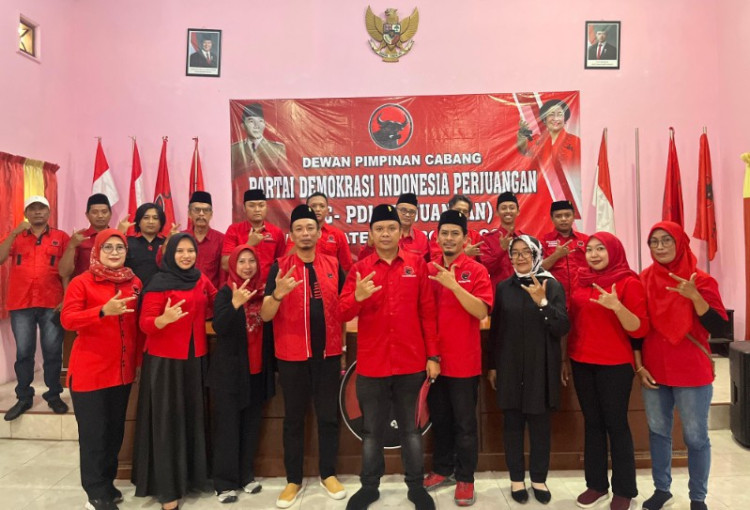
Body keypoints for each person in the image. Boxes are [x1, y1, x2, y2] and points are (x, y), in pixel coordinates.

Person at [340, 204, 440, 510]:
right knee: (372, 432)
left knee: (411, 430)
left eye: (391, 228)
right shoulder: (360, 269)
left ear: (400, 232)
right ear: (370, 234)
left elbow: (427, 313)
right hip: (373, 365)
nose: (386, 233)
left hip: (411, 363)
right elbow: (341, 312)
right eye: (380, 228)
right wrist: (357, 298)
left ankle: (416, 487)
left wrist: (433, 356)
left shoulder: (417, 265)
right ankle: (369, 487)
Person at [637, 222, 730, 510]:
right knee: (658, 432)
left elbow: (720, 328)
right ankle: (662, 489)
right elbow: (638, 327)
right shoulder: (644, 279)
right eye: (654, 241)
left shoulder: (700, 280)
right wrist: (639, 365)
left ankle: (698, 497)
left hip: (691, 369)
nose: (660, 246)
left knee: (695, 437)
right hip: (655, 368)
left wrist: (695, 297)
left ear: (680, 243)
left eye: (667, 240)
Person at [260, 204, 347, 508]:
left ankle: (328, 474)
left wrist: (342, 347)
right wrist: (278, 294)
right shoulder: (280, 267)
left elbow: (344, 308)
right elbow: (265, 314)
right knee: (294, 419)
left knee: (328, 417)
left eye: (311, 228)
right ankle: (293, 480)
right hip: (292, 356)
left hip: (328, 355)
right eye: (299, 229)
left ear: (319, 232)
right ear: (292, 235)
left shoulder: (333, 265)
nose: (306, 233)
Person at [132, 233, 217, 510]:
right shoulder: (158, 283)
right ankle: (167, 490)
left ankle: (191, 479)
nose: (186, 256)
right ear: (170, 254)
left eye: (190, 250)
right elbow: (145, 324)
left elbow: (216, 300)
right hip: (164, 362)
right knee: (167, 424)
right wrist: (163, 319)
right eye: (180, 251)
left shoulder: (200, 278)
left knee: (191, 420)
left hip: (195, 358)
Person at [61, 229, 142, 510]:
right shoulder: (82, 282)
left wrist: (137, 363)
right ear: (97, 250)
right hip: (90, 374)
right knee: (94, 437)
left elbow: (136, 328)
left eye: (120, 247)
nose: (114, 252)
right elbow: (68, 319)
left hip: (121, 373)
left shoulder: (134, 282)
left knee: (114, 434)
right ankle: (95, 493)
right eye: (108, 247)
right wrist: (102, 311)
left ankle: (107, 485)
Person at [568, 232, 649, 510]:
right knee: (593, 424)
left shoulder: (628, 282)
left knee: (616, 424)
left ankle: (624, 489)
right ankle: (596, 485)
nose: (594, 254)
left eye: (600, 249)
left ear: (613, 251)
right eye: (589, 249)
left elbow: (639, 328)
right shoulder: (581, 280)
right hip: (581, 361)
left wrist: (617, 307)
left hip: (614, 364)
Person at [487, 235, 569, 505]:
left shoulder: (551, 284)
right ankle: (516, 479)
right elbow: (496, 330)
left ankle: (538, 479)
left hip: (540, 367)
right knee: (512, 425)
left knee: (539, 427)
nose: (520, 257)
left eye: (526, 252)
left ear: (537, 255)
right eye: (515, 252)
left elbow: (561, 327)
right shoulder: (504, 288)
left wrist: (543, 303)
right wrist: (493, 365)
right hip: (509, 366)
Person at [423, 210, 493, 507]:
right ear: (437, 237)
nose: (449, 238)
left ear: (465, 239)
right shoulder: (428, 269)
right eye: (444, 233)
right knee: (440, 420)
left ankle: (465, 477)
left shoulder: (476, 271)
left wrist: (454, 285)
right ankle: (443, 469)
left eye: (455, 234)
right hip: (433, 361)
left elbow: (481, 311)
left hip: (464, 361)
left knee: (465, 424)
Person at [208, 245, 275, 504]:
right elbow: (219, 326)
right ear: (233, 265)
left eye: (252, 261)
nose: (247, 266)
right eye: (242, 261)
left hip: (256, 371)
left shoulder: (263, 293)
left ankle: (246, 475)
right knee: (228, 428)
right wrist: (235, 304)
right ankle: (224, 483)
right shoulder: (226, 292)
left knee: (250, 426)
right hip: (230, 374)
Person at [0, 195, 70, 421]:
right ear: (26, 213)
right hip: (21, 303)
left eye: (42, 208)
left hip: (52, 303)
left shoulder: (61, 237)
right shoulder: (17, 236)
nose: (38, 212)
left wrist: (67, 297)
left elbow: (66, 270)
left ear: (49, 213)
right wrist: (13, 233)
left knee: (52, 352)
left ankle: (53, 395)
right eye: (33, 208)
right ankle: (23, 397)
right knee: (24, 352)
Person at [230, 104, 287, 222]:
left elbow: (284, 177)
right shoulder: (234, 149)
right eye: (251, 121)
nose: (257, 126)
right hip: (241, 205)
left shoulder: (277, 149)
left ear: (265, 125)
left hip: (271, 204)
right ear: (242, 126)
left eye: (260, 121)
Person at [222, 188, 286, 282]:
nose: (257, 210)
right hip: (240, 287)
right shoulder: (234, 230)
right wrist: (249, 245)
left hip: (267, 287)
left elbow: (282, 265)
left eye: (261, 205)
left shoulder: (276, 232)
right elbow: (225, 265)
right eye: (252, 206)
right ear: (244, 208)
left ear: (266, 207)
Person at [285, 192, 354, 272]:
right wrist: (302, 240)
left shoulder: (337, 234)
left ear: (327, 210)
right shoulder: (297, 234)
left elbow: (346, 267)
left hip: (329, 278)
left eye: (322, 206)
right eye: (313, 206)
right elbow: (287, 261)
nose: (317, 209)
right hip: (301, 276)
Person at [541, 200, 589, 304]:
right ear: (552, 218)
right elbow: (538, 269)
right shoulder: (543, 241)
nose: (563, 219)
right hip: (554, 297)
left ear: (573, 216)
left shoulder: (586, 240)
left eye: (567, 215)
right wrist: (556, 255)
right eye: (558, 216)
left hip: (581, 296)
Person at [359, 193, 430, 261]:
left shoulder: (421, 238)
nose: (407, 215)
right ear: (396, 211)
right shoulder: (383, 234)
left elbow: (425, 264)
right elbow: (362, 262)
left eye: (412, 212)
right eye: (403, 210)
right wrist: (369, 246)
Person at [59, 193, 113, 279]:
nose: (100, 216)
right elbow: (64, 272)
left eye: (104, 212)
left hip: (112, 285)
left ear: (110, 214)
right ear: (87, 215)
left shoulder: (117, 237)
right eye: (94, 212)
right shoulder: (78, 238)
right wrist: (71, 246)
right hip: (84, 286)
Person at [480, 191, 526, 287]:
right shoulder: (487, 239)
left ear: (518, 212)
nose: (508, 211)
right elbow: (485, 269)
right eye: (504, 208)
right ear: (497, 212)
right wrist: (501, 250)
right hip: (498, 292)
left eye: (512, 208)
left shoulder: (524, 239)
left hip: (522, 290)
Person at [184, 191, 225, 290]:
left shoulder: (221, 239)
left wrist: (220, 296)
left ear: (211, 214)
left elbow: (223, 274)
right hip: (185, 293)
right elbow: (163, 264)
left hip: (211, 295)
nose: (201, 214)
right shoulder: (181, 238)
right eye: (197, 210)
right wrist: (168, 243)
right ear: (189, 213)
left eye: (206, 210)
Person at [427, 195, 483, 261]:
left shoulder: (475, 236)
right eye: (458, 210)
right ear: (450, 210)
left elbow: (482, 262)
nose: (461, 214)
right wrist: (464, 253)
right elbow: (436, 261)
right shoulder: (438, 234)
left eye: (465, 212)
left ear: (468, 215)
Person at [124, 203, 166, 287]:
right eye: (146, 218)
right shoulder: (127, 242)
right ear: (138, 222)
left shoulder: (167, 243)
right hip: (133, 290)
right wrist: (120, 233)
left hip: (161, 290)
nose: (151, 222)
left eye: (155, 218)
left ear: (161, 222)